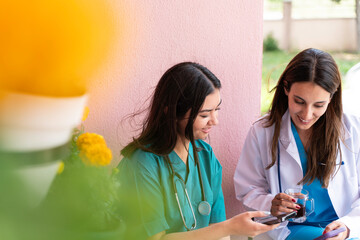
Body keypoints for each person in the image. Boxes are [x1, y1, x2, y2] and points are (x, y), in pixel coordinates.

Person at [117, 62, 278, 240]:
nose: (214, 121)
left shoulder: (205, 155)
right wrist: (229, 227)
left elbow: (218, 229)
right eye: (204, 115)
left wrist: (226, 230)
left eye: (217, 110)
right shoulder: (142, 163)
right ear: (171, 112)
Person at [234, 48, 360, 240]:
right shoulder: (262, 132)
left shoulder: (353, 129)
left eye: (318, 105)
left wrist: (348, 226)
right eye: (299, 101)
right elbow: (248, 190)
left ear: (331, 97)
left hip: (342, 228)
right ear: (286, 88)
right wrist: (271, 204)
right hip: (291, 228)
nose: (307, 114)